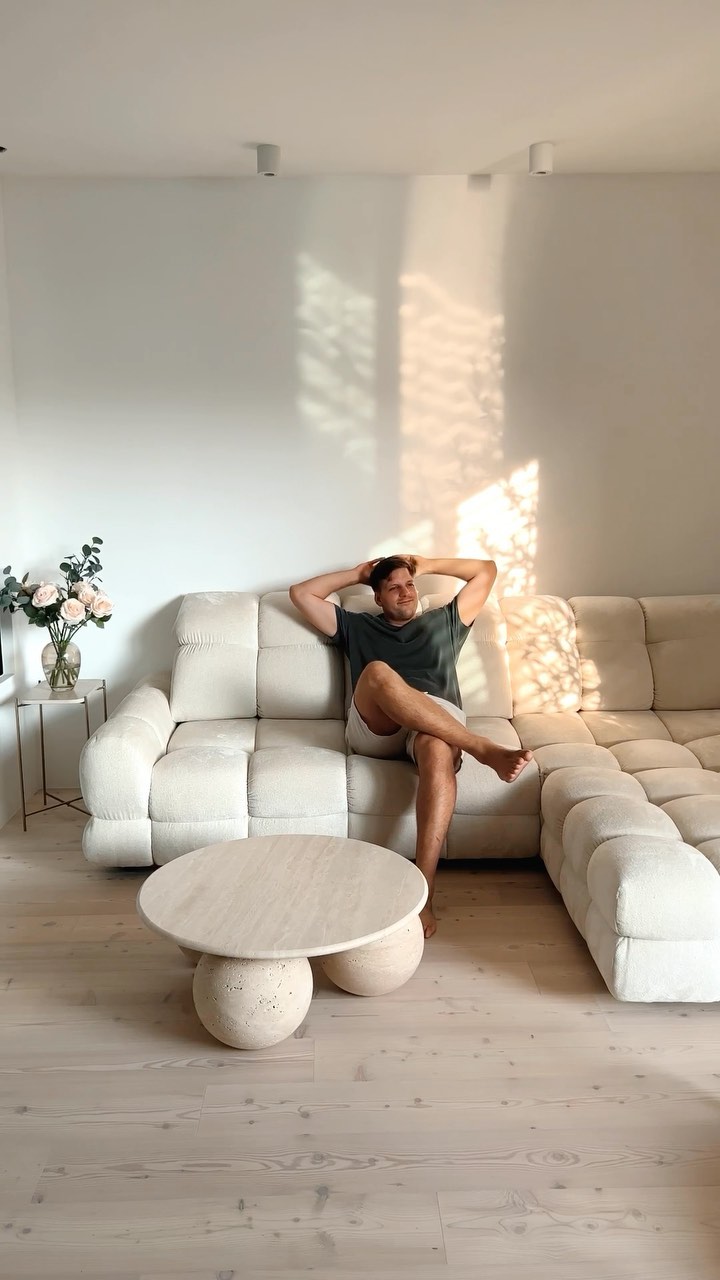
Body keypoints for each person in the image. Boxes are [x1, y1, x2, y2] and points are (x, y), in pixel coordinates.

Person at [289, 555, 532, 937]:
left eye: (409, 584)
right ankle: (480, 748)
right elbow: (300, 594)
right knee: (377, 672)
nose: (405, 593)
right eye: (393, 588)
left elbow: (486, 570)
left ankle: (424, 893)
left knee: (436, 748)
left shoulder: (445, 621)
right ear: (378, 598)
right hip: (378, 724)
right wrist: (358, 574)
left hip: (437, 721)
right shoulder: (358, 626)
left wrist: (425, 564)